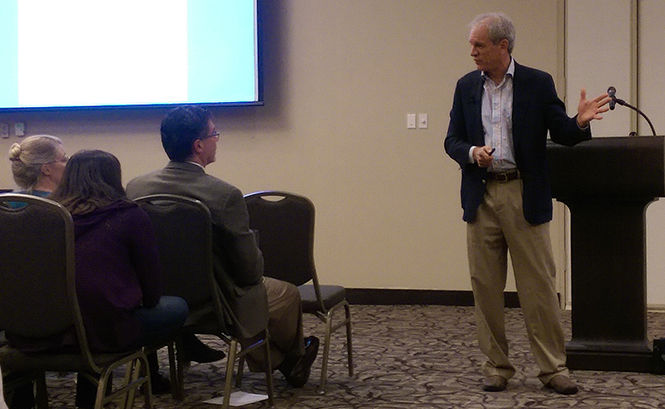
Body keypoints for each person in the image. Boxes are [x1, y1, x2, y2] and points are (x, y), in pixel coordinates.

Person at [444, 12, 610, 395]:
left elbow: (564, 133)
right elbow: (451, 139)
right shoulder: (466, 86)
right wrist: (472, 152)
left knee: (537, 288)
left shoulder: (537, 83)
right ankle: (497, 367)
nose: (471, 52)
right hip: (481, 195)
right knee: (485, 288)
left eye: (478, 45)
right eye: (471, 44)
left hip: (523, 194)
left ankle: (553, 369)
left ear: (503, 45)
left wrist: (581, 121)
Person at [126, 105, 319, 387]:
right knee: (286, 294)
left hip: (155, 296)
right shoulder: (224, 194)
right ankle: (289, 358)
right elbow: (248, 270)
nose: (218, 138)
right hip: (212, 302)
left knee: (254, 297)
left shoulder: (136, 188)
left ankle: (287, 361)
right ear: (199, 145)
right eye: (215, 133)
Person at [46, 150, 189, 406]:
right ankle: (150, 374)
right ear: (113, 179)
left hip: (46, 329)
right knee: (177, 306)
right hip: (105, 328)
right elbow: (152, 290)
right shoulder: (129, 216)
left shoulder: (47, 217)